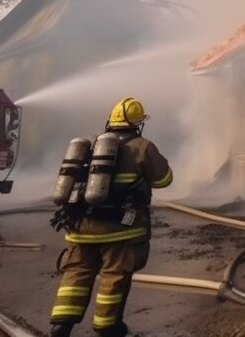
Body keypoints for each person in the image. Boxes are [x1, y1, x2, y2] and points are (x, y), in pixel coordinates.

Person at [48, 97, 173, 337]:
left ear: (111, 121)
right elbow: (163, 179)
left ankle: (61, 325)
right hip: (119, 228)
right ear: (138, 123)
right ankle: (108, 327)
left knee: (76, 272)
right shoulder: (142, 147)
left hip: (81, 226)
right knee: (114, 275)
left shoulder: (93, 146)